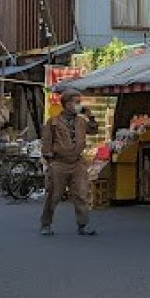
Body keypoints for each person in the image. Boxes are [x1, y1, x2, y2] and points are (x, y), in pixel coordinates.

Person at [39, 88, 98, 236]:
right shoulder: (53, 122)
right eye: (76, 102)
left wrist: (90, 116)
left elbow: (94, 130)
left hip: (77, 162)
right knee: (54, 195)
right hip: (59, 163)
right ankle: (46, 224)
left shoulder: (81, 121)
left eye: (79, 102)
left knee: (81, 194)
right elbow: (46, 142)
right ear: (66, 104)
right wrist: (50, 161)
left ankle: (83, 224)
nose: (79, 105)